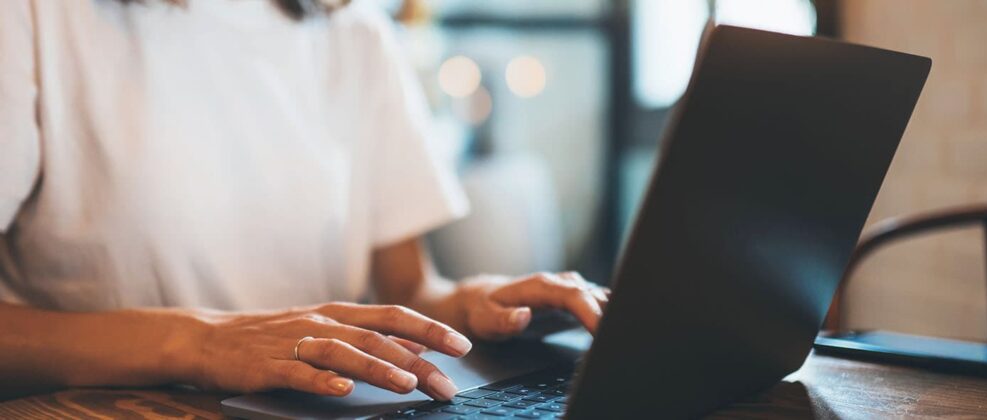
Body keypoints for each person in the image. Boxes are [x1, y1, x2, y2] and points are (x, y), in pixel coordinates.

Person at [0, 0, 609, 401]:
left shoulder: (353, 30)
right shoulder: (36, 16)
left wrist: (476, 308)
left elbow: (409, 287)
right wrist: (203, 343)